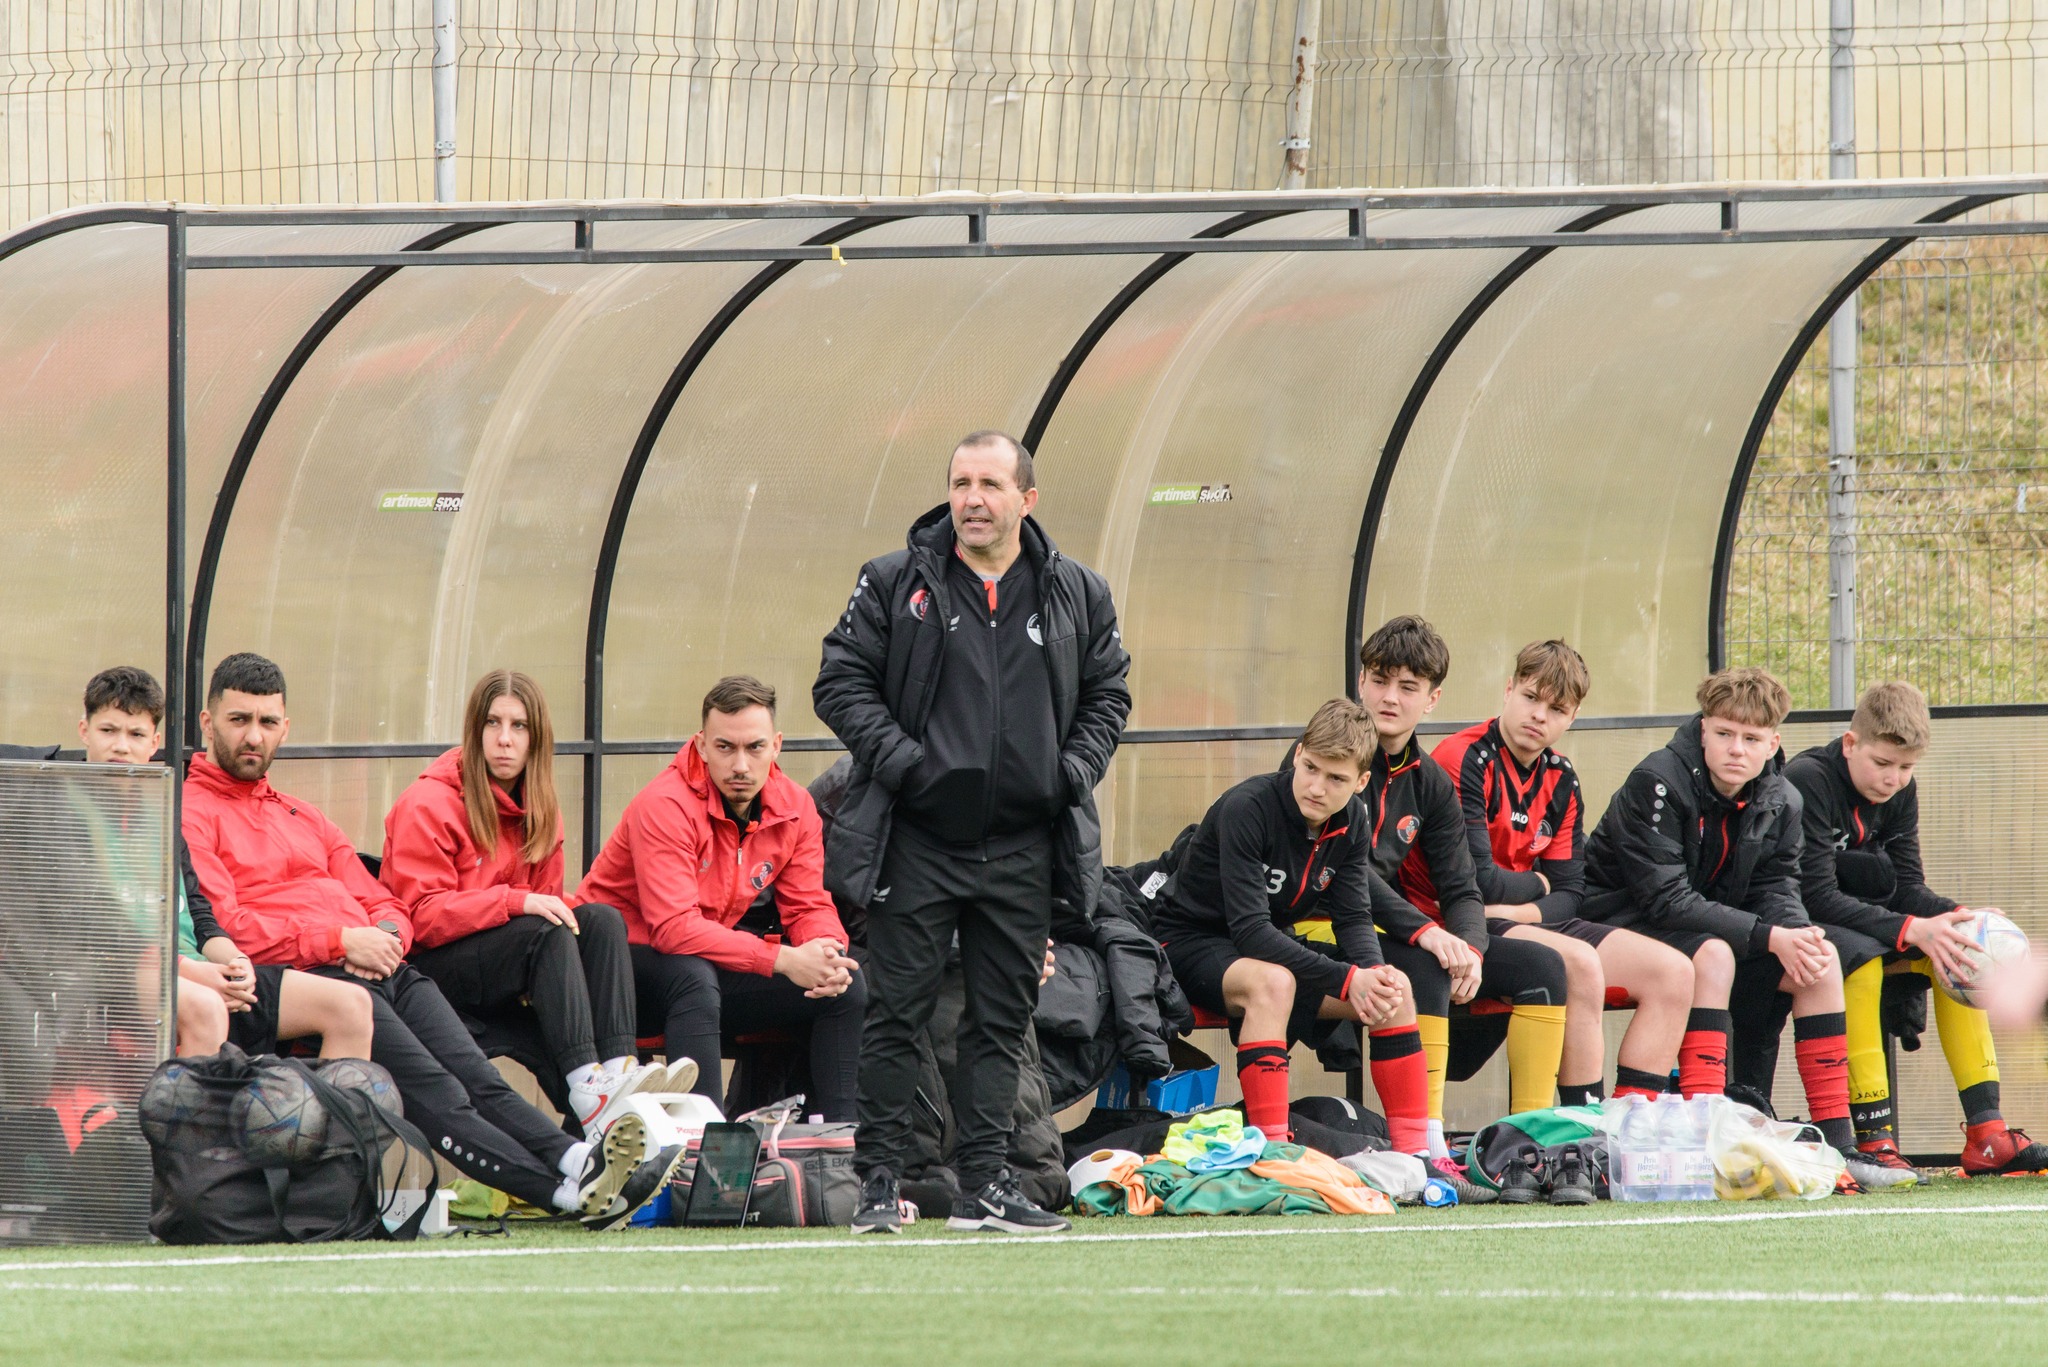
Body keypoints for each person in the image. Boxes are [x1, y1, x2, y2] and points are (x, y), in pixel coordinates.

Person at [182, 652, 679, 1230]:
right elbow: (229, 926)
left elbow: (384, 900)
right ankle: (565, 1193)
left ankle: (579, 1160)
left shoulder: (303, 815)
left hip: (382, 965)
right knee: (443, 1095)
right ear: (207, 722)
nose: (254, 736)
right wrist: (343, 941)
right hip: (313, 977)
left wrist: (386, 935)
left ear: (286, 728)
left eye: (267, 723)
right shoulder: (192, 813)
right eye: (239, 720)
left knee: (480, 1078)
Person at [814, 429, 1131, 1235]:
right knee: (896, 1013)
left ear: (1027, 498)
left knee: (999, 1021)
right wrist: (908, 765)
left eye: (990, 484)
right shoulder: (895, 581)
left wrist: (1070, 772)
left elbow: (1109, 693)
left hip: (1025, 844)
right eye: (960, 482)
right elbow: (839, 681)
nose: (972, 499)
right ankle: (879, 1182)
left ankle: (987, 1187)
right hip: (918, 840)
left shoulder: (1078, 592)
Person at [1578, 666, 1912, 1191]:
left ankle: (1839, 1145)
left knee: (1818, 966)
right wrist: (1769, 935)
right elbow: (1665, 899)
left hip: (1714, 926)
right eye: (1724, 734)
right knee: (1715, 954)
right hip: (1621, 920)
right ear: (1703, 728)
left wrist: (1797, 934)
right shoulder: (1657, 781)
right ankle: (1709, 1134)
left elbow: (1778, 885)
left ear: (1772, 743)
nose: (1737, 749)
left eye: (1751, 738)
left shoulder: (1782, 799)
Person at [1774, 680, 2048, 1178]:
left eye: (1906, 768)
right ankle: (1873, 1138)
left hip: (1867, 921)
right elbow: (1813, 896)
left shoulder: (1902, 791)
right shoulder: (1807, 779)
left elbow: (1907, 886)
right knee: (1858, 958)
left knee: (1962, 948)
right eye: (1882, 764)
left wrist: (1959, 916)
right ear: (1851, 744)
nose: (1893, 780)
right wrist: (1912, 929)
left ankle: (1987, 1133)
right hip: (1795, 925)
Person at [380, 669, 667, 1138]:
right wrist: (514, 901)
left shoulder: (540, 808)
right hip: (432, 971)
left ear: (537, 739)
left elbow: (549, 903)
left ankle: (617, 1072)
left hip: (506, 962)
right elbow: (420, 917)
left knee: (600, 921)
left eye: (519, 727)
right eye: (493, 724)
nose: (504, 740)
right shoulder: (428, 802)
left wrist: (537, 913)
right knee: (545, 930)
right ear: (475, 733)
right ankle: (586, 1086)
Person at [571, 675, 863, 1124]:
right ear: (702, 745)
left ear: (777, 745)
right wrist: (783, 958)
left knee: (843, 988)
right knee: (692, 977)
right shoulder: (664, 805)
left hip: (704, 961)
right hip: (620, 972)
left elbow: (809, 905)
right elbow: (672, 929)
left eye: (755, 748)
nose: (740, 765)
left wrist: (825, 950)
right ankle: (704, 1151)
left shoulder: (794, 807)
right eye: (725, 748)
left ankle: (840, 1154)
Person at [1422, 641, 1694, 1113]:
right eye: (1530, 698)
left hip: (1514, 916)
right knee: (1581, 962)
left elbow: (1571, 892)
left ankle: (1627, 1124)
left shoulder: (1561, 776)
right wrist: (1539, 885)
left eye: (1556, 708)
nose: (1538, 716)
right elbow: (1477, 882)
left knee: (1675, 972)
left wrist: (1523, 903)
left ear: (1573, 716)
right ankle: (1582, 1125)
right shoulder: (1462, 757)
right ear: (1508, 691)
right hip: (1454, 917)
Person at [1154, 700, 1428, 1152]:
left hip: (1264, 946)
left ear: (1361, 782)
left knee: (1395, 989)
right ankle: (1272, 1153)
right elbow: (1251, 933)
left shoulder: (1353, 820)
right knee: (1274, 984)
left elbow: (1354, 916)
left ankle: (1416, 1156)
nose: (1317, 787)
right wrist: (1346, 979)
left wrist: (1371, 976)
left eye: (1336, 778)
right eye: (1310, 767)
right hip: (1187, 940)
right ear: (1298, 753)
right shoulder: (1249, 806)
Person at [1353, 616, 1568, 1188]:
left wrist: (1470, 945)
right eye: (1380, 680)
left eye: (1408, 687)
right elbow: (1344, 875)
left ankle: (1531, 1147)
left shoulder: (1428, 780)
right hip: (1325, 926)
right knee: (1420, 962)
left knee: (1544, 967)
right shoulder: (1330, 756)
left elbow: (1462, 887)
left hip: (1395, 929)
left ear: (1432, 698)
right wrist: (1428, 934)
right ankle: (1425, 1145)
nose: (1390, 698)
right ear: (1360, 681)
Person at [75, 666, 373, 1061]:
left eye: (135, 735)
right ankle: (198, 1118)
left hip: (195, 967)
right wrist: (190, 970)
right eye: (108, 731)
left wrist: (234, 961)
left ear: (155, 743)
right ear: (84, 731)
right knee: (206, 1005)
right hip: (121, 970)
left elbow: (199, 912)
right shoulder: (63, 811)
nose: (121, 747)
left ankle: (338, 1121)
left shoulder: (163, 814)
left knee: (351, 1005)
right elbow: (97, 928)